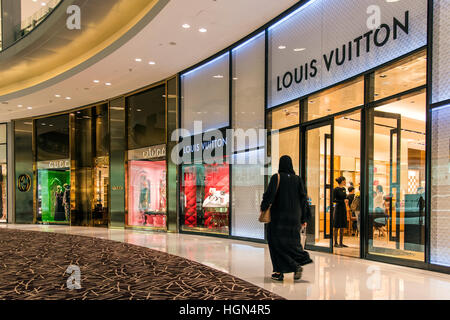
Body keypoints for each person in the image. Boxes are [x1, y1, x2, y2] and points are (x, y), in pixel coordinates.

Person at [261, 155, 313, 282]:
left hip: (278, 218)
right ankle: (296, 265)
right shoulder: (298, 179)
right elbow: (303, 199)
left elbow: (269, 196)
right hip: (295, 219)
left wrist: (263, 207)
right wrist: (304, 218)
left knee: (276, 244)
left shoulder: (276, 177)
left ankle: (281, 271)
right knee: (292, 244)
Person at [333, 176, 348, 248]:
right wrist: (342, 201)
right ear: (342, 181)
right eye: (344, 180)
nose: (345, 182)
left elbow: (345, 197)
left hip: (343, 208)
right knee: (337, 225)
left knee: (342, 225)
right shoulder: (336, 189)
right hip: (338, 208)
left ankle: (341, 243)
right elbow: (333, 200)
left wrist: (346, 200)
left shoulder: (344, 189)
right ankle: (335, 242)